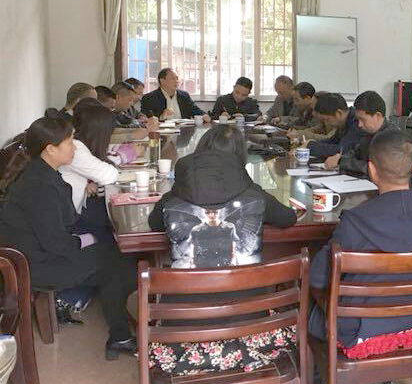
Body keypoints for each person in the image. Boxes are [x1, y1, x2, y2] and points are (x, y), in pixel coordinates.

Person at [309, 129, 412, 384]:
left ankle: (318, 372)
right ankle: (380, 381)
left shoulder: (355, 221)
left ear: (371, 170)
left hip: (362, 328)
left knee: (309, 295)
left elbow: (318, 278)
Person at [0, 117, 137, 359]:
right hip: (35, 266)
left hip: (39, 254)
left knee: (116, 252)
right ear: (50, 149)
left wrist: (91, 237)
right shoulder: (39, 186)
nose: (74, 147)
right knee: (119, 263)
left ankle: (120, 334)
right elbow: (58, 244)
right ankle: (121, 336)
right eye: (70, 142)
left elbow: (65, 223)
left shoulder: (43, 172)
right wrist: (89, 240)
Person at [149, 124, 297, 267]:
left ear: (201, 150)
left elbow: (154, 224)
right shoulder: (255, 195)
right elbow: (288, 218)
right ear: (240, 155)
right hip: (247, 283)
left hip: (186, 284)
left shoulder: (174, 197)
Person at [333, 91, 396, 174]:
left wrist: (341, 161)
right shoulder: (368, 133)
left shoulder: (393, 138)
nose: (359, 124)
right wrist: (340, 158)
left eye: (363, 120)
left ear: (377, 116)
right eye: (358, 120)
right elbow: (353, 153)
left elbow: (376, 169)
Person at [305, 92, 366, 161]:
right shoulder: (344, 122)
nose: (326, 123)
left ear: (339, 113)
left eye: (327, 119)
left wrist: (310, 146)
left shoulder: (357, 123)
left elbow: (341, 150)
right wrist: (312, 142)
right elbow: (333, 141)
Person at [140, 68, 210, 122]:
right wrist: (161, 117)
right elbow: (146, 119)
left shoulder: (184, 95)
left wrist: (204, 115)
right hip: (161, 132)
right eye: (173, 78)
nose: (176, 81)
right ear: (162, 81)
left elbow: (195, 110)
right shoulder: (149, 98)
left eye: (177, 78)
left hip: (183, 131)